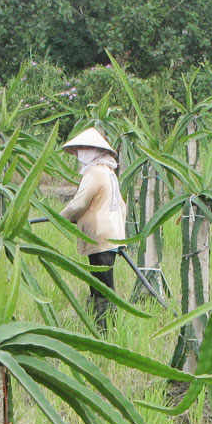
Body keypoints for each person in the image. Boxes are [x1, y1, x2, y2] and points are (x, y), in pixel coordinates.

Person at [58, 127, 127, 330]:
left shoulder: (94, 173)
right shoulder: (109, 173)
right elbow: (121, 206)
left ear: (94, 151)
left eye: (84, 148)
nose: (81, 153)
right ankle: (104, 325)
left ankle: (104, 329)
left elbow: (80, 203)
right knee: (104, 284)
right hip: (111, 236)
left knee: (101, 287)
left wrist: (59, 218)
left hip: (99, 236)